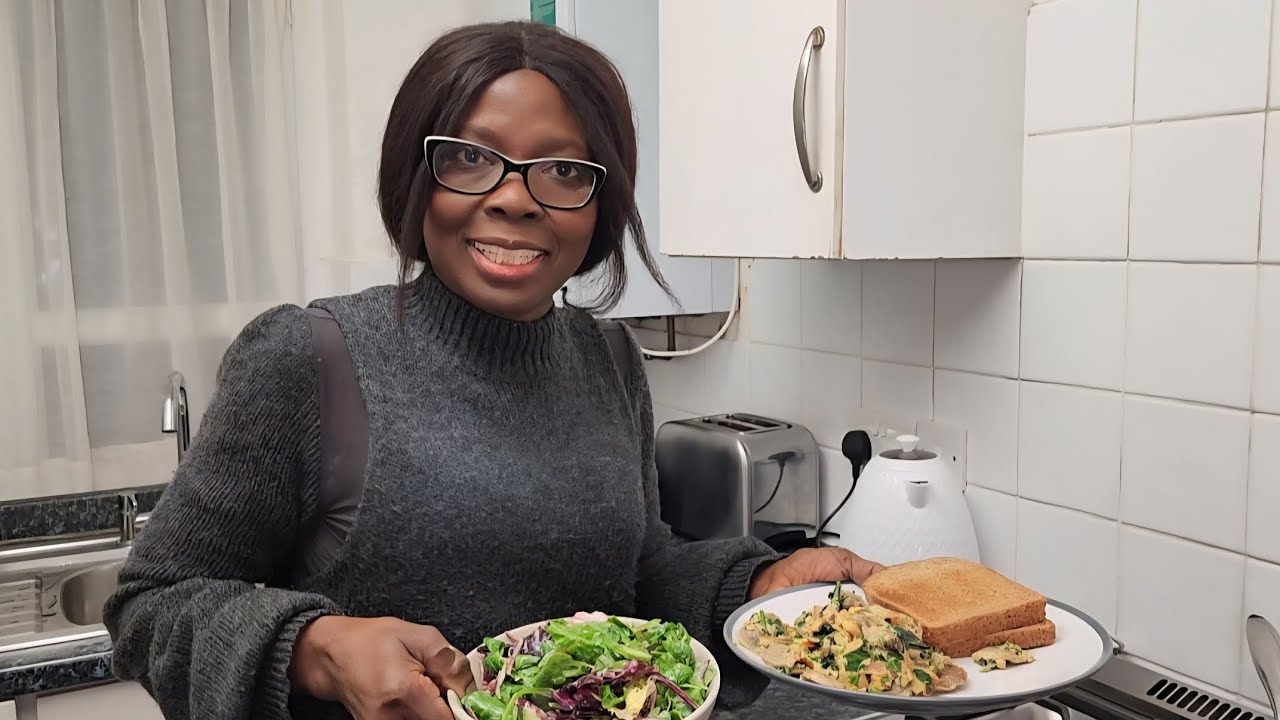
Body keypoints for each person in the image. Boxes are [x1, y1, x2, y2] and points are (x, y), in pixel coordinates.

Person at [103, 20, 883, 720]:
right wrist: (316, 647)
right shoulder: (309, 361)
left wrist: (756, 591)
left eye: (564, 170)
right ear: (415, 177)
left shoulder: (608, 359)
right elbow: (152, 607)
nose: (515, 198)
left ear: (598, 202)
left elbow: (634, 578)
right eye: (471, 158)